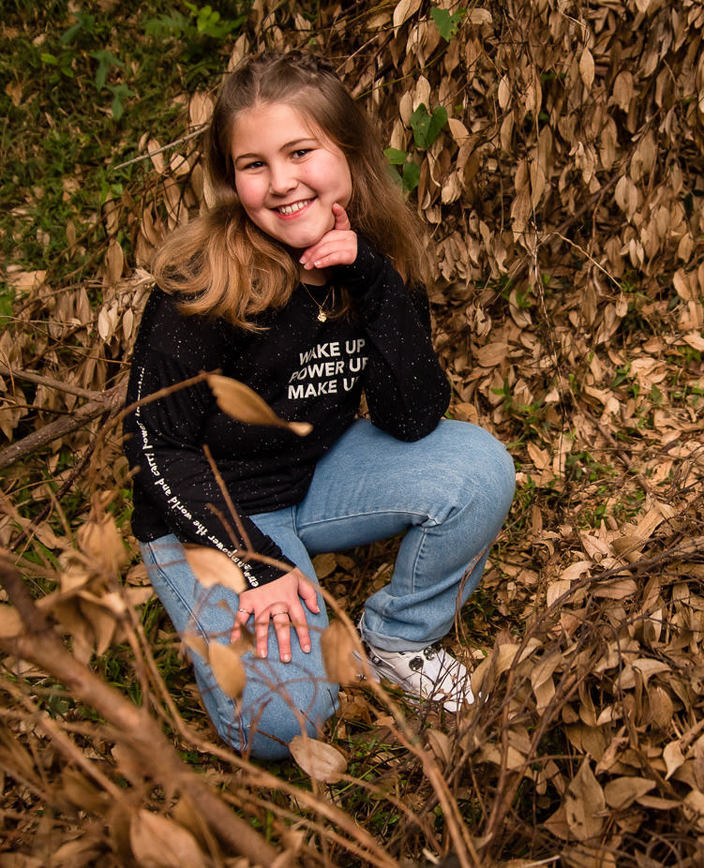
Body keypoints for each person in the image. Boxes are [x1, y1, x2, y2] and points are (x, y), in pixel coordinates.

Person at [123, 52, 515, 761]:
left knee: (478, 469)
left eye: (300, 152)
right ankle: (243, 619)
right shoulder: (202, 280)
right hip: (206, 513)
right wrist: (257, 564)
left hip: (313, 473)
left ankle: (398, 640)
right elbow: (156, 446)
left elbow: (411, 418)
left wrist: (372, 279)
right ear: (230, 178)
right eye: (254, 164)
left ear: (350, 152)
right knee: (286, 720)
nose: (280, 183)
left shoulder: (374, 253)